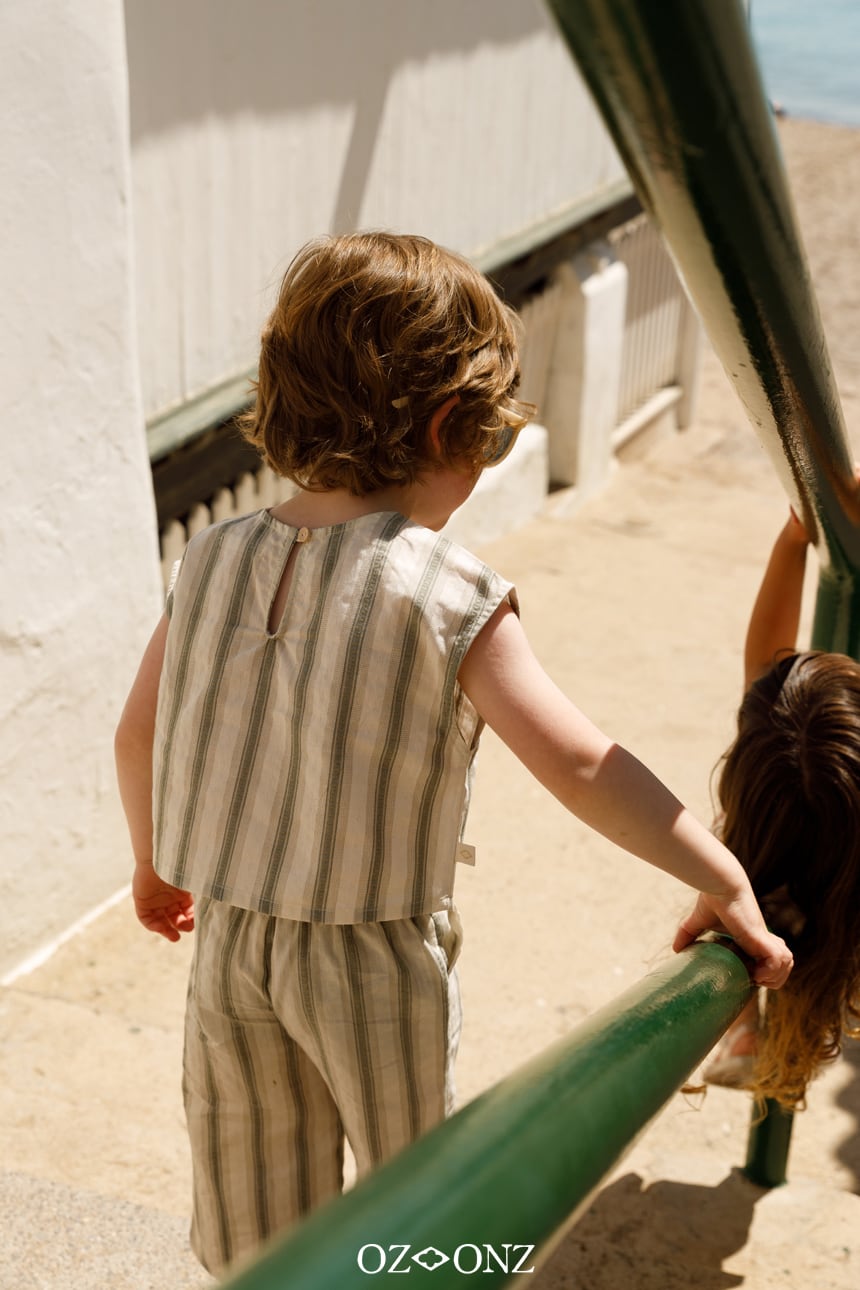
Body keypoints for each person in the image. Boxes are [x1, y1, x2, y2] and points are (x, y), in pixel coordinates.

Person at [114, 231, 792, 1276]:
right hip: (374, 959)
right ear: (448, 425)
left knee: (256, 1199)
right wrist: (721, 875)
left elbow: (139, 730)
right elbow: (579, 764)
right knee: (423, 1198)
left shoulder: (210, 557)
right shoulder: (442, 588)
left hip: (234, 947)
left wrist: (153, 862)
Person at [704, 505, 860, 1109]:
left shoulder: (760, 810)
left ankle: (744, 1028)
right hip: (841, 891)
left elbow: (764, 659)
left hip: (764, 867)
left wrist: (800, 529)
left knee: (735, 874)